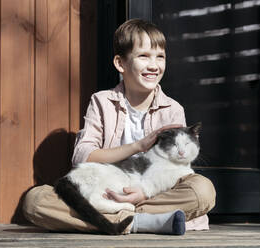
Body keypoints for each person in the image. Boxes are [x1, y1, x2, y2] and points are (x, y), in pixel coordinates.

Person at [23, 19, 216, 235]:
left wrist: (144, 194)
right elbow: (82, 156)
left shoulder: (172, 109)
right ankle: (142, 222)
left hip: (152, 195)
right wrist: (138, 146)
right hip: (105, 192)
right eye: (143, 56)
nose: (154, 65)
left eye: (160, 56)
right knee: (36, 200)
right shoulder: (102, 101)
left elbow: (178, 172)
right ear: (120, 63)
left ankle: (122, 219)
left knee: (203, 190)